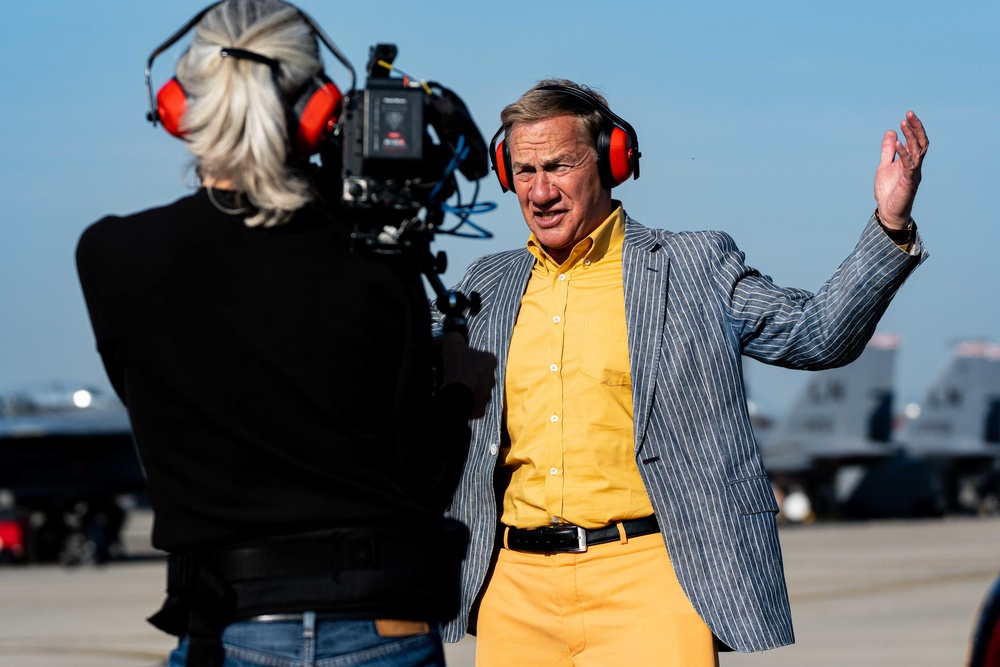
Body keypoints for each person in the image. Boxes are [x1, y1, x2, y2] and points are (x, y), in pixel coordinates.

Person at [438, 79, 928, 665]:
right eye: (523, 171)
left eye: (559, 166)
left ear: (611, 161)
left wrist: (889, 224)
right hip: (513, 589)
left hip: (648, 579)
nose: (540, 191)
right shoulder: (484, 286)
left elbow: (818, 335)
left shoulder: (692, 268)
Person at [75, 2, 494, 666]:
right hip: (380, 624)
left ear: (179, 106)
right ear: (320, 110)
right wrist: (459, 395)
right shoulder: (380, 266)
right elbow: (423, 481)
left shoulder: (111, 255)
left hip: (224, 624)